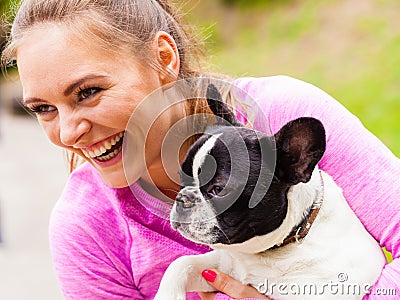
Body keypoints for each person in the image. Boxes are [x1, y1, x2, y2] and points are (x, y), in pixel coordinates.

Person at [2, 0, 399, 299]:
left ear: (163, 58)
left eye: (89, 92)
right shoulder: (87, 226)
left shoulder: (280, 117)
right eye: (42, 109)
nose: (70, 131)